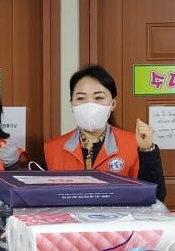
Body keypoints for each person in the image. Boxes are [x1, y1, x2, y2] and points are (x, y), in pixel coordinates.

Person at [44, 65, 166, 201]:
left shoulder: (135, 144)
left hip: (121, 215)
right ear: (71, 103)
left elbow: (155, 196)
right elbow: (40, 197)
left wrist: (147, 151)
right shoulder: (51, 149)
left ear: (113, 103)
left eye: (98, 98)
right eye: (81, 98)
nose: (89, 105)